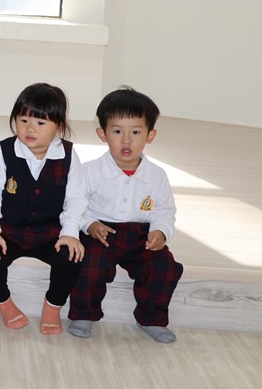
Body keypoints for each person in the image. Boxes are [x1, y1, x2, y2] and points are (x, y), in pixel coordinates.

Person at [68, 87, 183, 343]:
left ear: (150, 135)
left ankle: (152, 318)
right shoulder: (90, 171)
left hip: (141, 235)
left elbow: (164, 210)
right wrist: (90, 224)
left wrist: (161, 232)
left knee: (163, 266)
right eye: (117, 131)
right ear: (102, 134)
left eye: (136, 132)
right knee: (89, 264)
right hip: (101, 233)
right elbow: (75, 204)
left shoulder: (157, 176)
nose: (126, 141)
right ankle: (83, 314)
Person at [0, 83, 86, 335]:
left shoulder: (68, 155)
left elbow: (76, 199)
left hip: (50, 232)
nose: (30, 128)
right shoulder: (4, 151)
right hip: (10, 230)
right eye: (23, 120)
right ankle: (3, 302)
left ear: (59, 126)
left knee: (71, 257)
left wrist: (70, 233)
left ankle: (53, 305)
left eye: (40, 122)